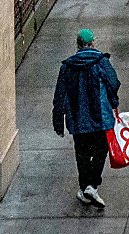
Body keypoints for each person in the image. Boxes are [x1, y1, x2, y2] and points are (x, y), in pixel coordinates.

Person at [52, 28, 122, 207]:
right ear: (93, 43)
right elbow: (113, 83)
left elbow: (59, 95)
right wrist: (113, 103)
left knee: (81, 154)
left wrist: (59, 121)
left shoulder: (67, 67)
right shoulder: (101, 62)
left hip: (77, 119)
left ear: (78, 44)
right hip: (100, 118)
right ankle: (91, 185)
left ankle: (85, 187)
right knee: (101, 150)